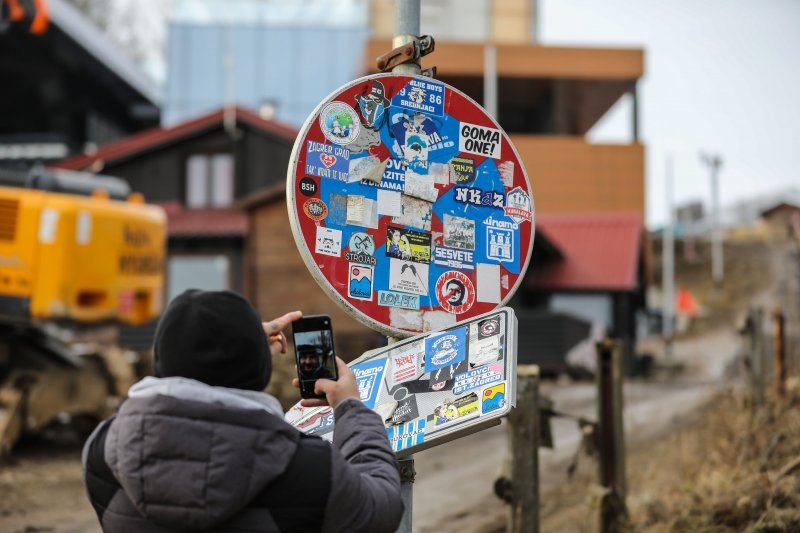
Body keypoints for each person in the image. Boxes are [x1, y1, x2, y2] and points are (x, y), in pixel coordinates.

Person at [82, 289, 402, 532]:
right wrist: (350, 407)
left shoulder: (104, 451)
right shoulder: (308, 468)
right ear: (258, 369)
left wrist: (243, 343)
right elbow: (381, 510)